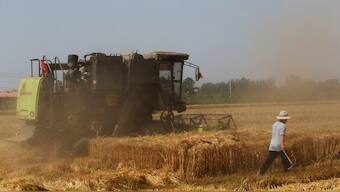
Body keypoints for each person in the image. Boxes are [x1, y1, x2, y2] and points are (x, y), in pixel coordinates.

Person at [259, 111, 292, 175]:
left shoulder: (274, 124)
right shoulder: (283, 126)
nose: (287, 120)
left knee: (269, 160)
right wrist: (282, 145)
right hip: (279, 145)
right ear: (284, 119)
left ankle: (261, 172)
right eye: (286, 119)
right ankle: (287, 171)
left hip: (272, 145)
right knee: (285, 159)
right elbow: (281, 135)